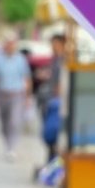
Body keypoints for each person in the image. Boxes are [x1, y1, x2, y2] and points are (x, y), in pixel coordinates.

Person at [0, 33, 31, 161]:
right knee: (5, 122)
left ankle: (12, 147)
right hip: (2, 94)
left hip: (17, 94)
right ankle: (8, 144)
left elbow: (26, 78)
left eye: (12, 44)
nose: (10, 46)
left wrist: (28, 97)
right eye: (8, 44)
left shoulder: (21, 60)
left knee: (14, 121)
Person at [39, 34, 68, 166]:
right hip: (51, 100)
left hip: (57, 101)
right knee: (50, 132)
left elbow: (62, 82)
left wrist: (58, 95)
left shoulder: (64, 60)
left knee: (54, 132)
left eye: (55, 43)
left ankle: (54, 160)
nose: (53, 46)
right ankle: (51, 158)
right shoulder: (55, 59)